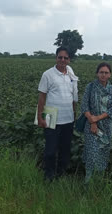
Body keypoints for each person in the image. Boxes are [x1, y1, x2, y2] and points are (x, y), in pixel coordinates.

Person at [37, 46, 78, 181]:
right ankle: (49, 177)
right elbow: (42, 97)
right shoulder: (47, 74)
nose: (62, 60)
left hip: (68, 119)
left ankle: (61, 174)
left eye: (65, 58)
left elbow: (74, 96)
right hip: (51, 118)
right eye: (60, 57)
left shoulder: (71, 74)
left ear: (69, 60)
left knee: (65, 151)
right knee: (50, 151)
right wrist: (40, 117)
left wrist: (74, 113)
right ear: (56, 58)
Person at [80, 62, 112, 184]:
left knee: (103, 154)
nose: (103, 75)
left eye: (106, 73)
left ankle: (98, 181)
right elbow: (84, 106)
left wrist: (97, 119)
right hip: (91, 127)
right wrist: (93, 121)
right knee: (92, 154)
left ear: (110, 75)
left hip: (106, 127)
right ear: (97, 73)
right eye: (101, 72)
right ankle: (87, 182)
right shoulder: (90, 87)